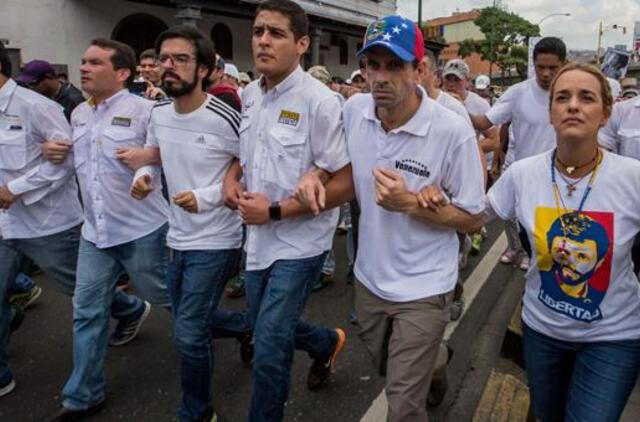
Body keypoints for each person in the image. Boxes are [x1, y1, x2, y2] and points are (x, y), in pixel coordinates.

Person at [424, 62, 640, 422]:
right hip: (542, 331)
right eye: (562, 98)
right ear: (550, 113)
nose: (573, 105)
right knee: (545, 414)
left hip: (613, 336)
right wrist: (423, 201)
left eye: (586, 98)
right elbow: (473, 217)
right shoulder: (523, 174)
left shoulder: (632, 178)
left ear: (605, 114)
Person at [295, 14, 485, 421]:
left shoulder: (452, 131)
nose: (379, 77)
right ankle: (436, 363)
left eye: (393, 66)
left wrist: (413, 204)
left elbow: (474, 218)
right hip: (369, 280)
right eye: (371, 65)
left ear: (419, 70)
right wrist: (317, 174)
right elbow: (335, 162)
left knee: (401, 404)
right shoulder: (354, 110)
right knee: (390, 366)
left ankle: (425, 365)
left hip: (425, 285)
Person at [222, 1, 350, 419]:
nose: (262, 40)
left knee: (268, 347)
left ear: (301, 44)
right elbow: (244, 155)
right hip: (257, 241)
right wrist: (231, 180)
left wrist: (274, 211)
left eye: (275, 33)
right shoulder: (249, 95)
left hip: (301, 241)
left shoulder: (321, 101)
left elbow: (340, 178)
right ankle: (325, 343)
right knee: (269, 328)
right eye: (258, 31)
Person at [46, 39, 171, 421]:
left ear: (121, 73)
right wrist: (51, 154)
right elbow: (79, 168)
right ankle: (83, 395)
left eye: (95, 62)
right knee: (85, 311)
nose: (83, 68)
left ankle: (235, 327)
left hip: (143, 229)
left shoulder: (148, 111)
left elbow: (160, 157)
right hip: (95, 234)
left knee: (175, 300)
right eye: (83, 61)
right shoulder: (79, 114)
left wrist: (146, 174)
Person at [131, 25, 244, 422]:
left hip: (217, 239)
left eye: (181, 59)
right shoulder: (158, 112)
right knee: (191, 322)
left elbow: (249, 166)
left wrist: (207, 196)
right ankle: (253, 328)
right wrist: (141, 178)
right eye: (165, 58)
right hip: (176, 235)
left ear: (204, 70)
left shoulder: (224, 117)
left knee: (189, 333)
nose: (169, 66)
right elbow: (154, 155)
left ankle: (196, 412)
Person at [469, 36, 567, 270]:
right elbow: (485, 122)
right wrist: (453, 108)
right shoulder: (518, 92)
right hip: (525, 181)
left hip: (564, 185)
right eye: (540, 67)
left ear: (564, 64)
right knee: (525, 236)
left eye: (552, 68)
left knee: (558, 252)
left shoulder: (574, 96)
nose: (545, 74)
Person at [15, 59, 85, 121]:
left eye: (33, 84)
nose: (31, 88)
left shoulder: (74, 100)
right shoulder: (45, 97)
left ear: (49, 77)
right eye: (28, 85)